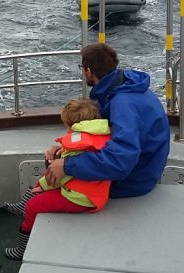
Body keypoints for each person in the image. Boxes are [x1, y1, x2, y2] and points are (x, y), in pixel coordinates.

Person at [44, 43, 170, 199]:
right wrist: (66, 148)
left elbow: (121, 161)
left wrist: (68, 165)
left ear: (88, 71)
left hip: (132, 181)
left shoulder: (122, 104)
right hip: (141, 168)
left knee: (58, 174)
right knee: (56, 159)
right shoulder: (122, 88)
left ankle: (31, 205)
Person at [4, 97, 111, 261]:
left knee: (33, 206)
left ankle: (21, 250)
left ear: (73, 125)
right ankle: (22, 206)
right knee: (46, 175)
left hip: (81, 197)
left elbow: (61, 175)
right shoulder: (95, 136)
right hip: (88, 189)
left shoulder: (80, 145)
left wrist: (43, 186)